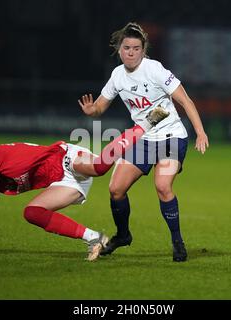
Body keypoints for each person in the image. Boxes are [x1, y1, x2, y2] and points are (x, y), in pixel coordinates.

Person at [0, 108, 169, 261]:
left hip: (66, 158)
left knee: (100, 168)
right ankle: (95, 238)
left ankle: (145, 124)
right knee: (32, 213)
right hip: (61, 182)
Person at [78, 22, 209, 262]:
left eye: (136, 48)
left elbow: (185, 100)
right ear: (119, 49)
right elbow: (99, 106)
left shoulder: (155, 69)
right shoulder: (117, 75)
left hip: (171, 137)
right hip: (143, 139)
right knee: (116, 189)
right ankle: (123, 235)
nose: (131, 52)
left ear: (143, 49)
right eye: (127, 47)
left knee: (162, 186)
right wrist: (91, 110)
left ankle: (177, 242)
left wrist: (200, 132)